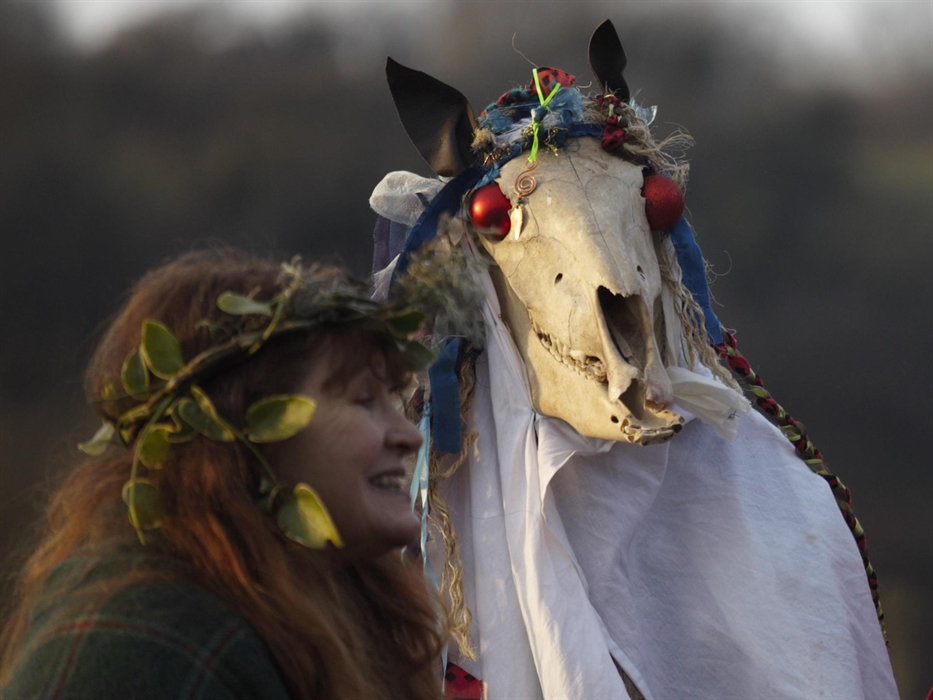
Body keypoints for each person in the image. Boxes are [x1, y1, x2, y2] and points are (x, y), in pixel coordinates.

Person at [0, 249, 447, 700]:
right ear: (244, 432)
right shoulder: (138, 651)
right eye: (364, 400)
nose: (409, 435)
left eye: (392, 397)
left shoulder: (326, 608)